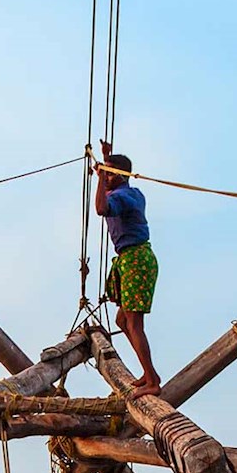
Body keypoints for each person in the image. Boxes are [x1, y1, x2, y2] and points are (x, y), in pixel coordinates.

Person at [94, 140, 159, 394]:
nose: (107, 177)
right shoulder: (125, 191)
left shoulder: (126, 196)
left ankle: (152, 382)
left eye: (111, 174)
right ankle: (149, 373)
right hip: (129, 258)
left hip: (136, 259)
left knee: (133, 323)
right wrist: (106, 162)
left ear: (121, 177)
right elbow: (108, 193)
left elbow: (101, 207)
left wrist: (101, 178)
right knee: (122, 319)